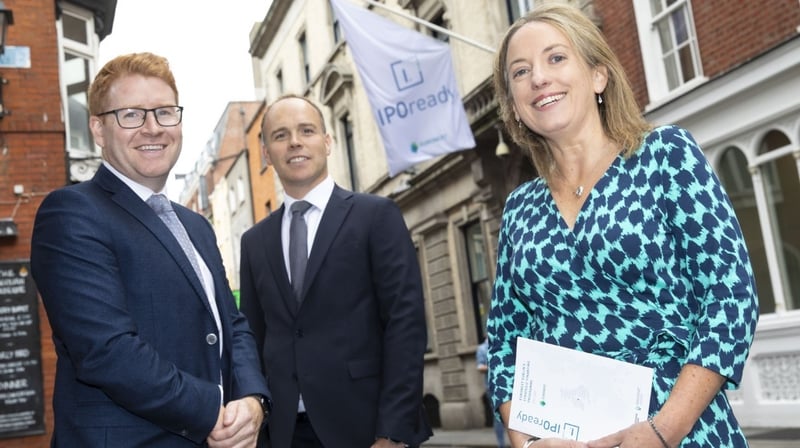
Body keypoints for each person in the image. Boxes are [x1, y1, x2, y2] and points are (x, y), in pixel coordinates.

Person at [487, 4, 759, 448]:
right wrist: (529, 445)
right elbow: (504, 345)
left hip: (679, 432)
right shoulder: (519, 208)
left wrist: (663, 429)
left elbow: (730, 298)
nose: (538, 78)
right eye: (520, 71)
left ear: (599, 76)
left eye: (556, 58)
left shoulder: (664, 156)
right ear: (515, 106)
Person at [30, 52, 270, 448]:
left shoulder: (194, 225)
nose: (153, 128)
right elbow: (107, 351)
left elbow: (232, 323)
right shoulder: (71, 212)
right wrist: (214, 407)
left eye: (164, 112)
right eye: (131, 115)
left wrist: (254, 399)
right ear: (99, 129)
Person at [239, 94, 432, 448]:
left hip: (365, 427)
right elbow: (251, 339)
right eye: (280, 135)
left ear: (327, 143)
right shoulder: (254, 242)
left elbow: (406, 325)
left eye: (306, 130)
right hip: (283, 434)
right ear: (266, 154)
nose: (295, 141)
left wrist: (392, 431)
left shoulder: (376, 216)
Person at [476, 338, 509, 448]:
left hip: (508, 386)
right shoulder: (482, 348)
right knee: (498, 418)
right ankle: (501, 445)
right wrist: (495, 365)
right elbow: (480, 367)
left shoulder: (502, 343)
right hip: (492, 388)